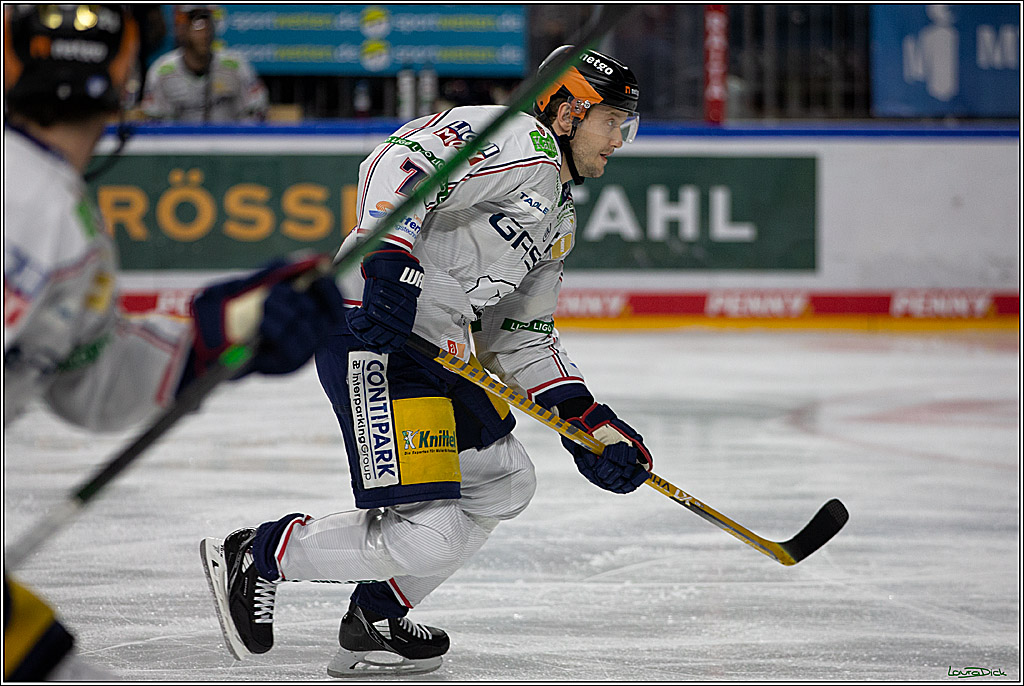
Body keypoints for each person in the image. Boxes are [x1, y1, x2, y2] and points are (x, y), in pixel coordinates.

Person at [200, 45, 649, 677]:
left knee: (506, 482)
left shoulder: (559, 215)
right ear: (571, 109)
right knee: (427, 533)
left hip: (440, 349)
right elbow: (398, 159)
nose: (620, 140)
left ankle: (378, 615)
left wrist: (589, 422)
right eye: (614, 121)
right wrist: (390, 254)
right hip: (372, 335)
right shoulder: (516, 136)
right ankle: (261, 552)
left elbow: (519, 334)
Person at [3, 5, 345, 680]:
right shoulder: (42, 209)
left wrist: (222, 333)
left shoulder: (66, 220)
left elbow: (89, 383)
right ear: (128, 77)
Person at [140, 5, 268, 122]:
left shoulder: (235, 66)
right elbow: (156, 126)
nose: (205, 32)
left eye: (209, 23)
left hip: (230, 142)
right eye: (197, 24)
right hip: (179, 144)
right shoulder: (162, 71)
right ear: (181, 28)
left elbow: (255, 114)